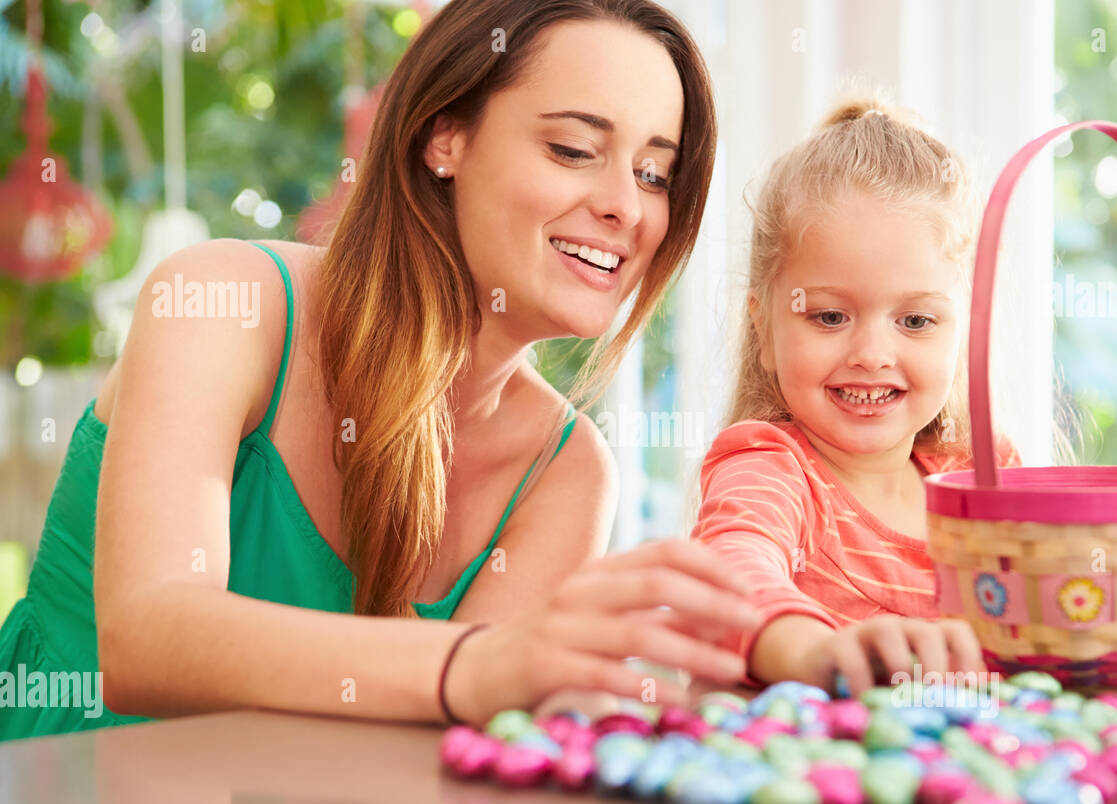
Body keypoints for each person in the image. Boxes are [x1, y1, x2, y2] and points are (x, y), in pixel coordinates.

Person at [0, 0, 762, 741]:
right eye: (572, 150)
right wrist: (479, 665)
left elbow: (435, 776)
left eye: (656, 174)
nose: (626, 207)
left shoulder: (566, 474)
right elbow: (147, 640)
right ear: (445, 136)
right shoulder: (220, 303)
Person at [690, 97, 1032, 697]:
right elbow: (732, 570)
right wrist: (818, 651)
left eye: (917, 321)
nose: (872, 353)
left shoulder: (984, 477)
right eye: (829, 315)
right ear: (763, 331)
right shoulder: (770, 468)